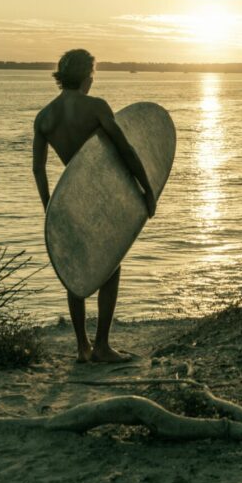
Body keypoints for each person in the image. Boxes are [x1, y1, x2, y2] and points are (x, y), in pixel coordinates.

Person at [32, 48, 156, 363]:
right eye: (92, 73)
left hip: (69, 203)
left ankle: (82, 347)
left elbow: (38, 168)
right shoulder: (96, 107)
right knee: (110, 267)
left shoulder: (45, 116)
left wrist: (50, 208)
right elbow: (125, 149)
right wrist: (147, 189)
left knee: (75, 271)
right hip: (99, 200)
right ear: (87, 75)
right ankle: (101, 345)